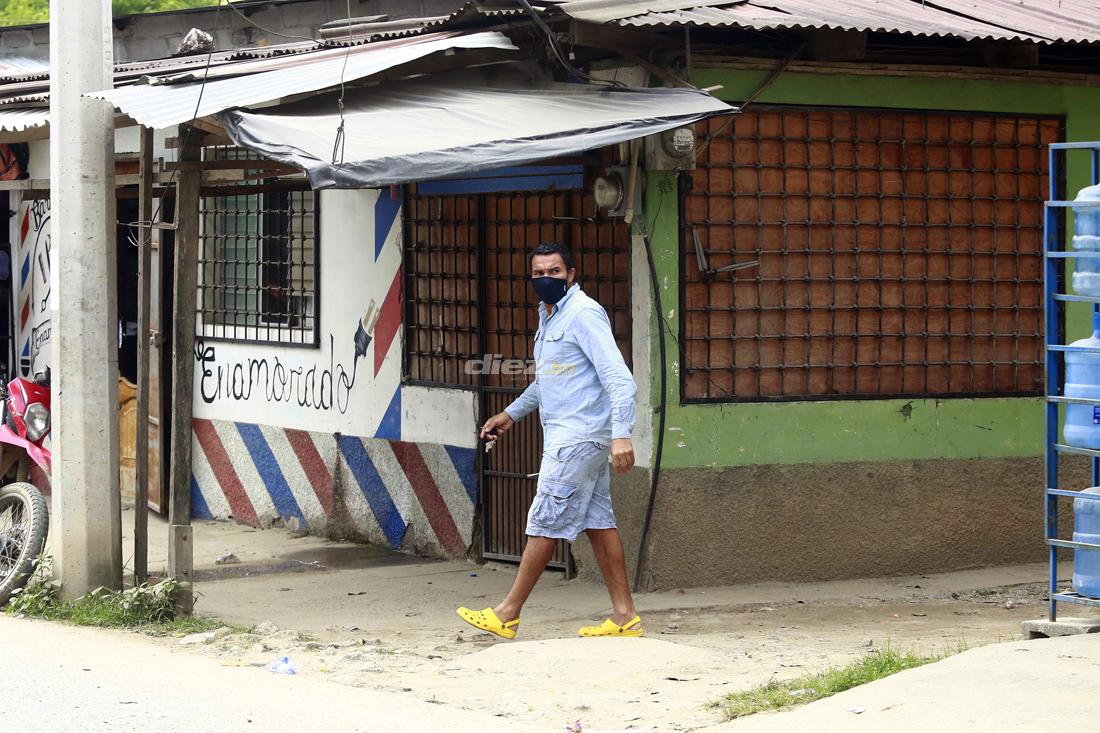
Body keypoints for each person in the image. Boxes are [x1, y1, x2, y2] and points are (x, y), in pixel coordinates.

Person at [457, 240, 643, 639]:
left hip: (578, 438)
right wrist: (509, 414)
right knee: (598, 523)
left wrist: (622, 435)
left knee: (544, 520)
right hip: (575, 436)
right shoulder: (550, 316)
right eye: (538, 273)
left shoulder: (583, 313)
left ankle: (507, 613)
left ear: (571, 275)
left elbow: (620, 380)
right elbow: (549, 382)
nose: (545, 279)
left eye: (553, 272)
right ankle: (625, 615)